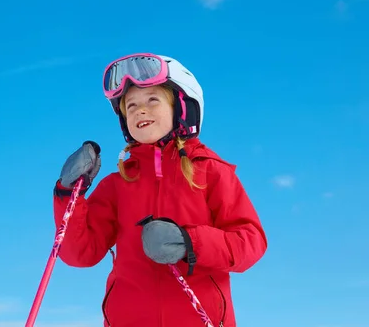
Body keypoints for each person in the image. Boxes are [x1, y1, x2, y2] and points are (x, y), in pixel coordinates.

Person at [52, 53, 267, 327]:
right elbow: (79, 252)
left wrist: (190, 243)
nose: (140, 110)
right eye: (130, 106)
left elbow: (250, 242)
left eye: (152, 100)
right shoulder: (118, 184)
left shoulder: (211, 172)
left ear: (181, 108)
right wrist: (68, 194)